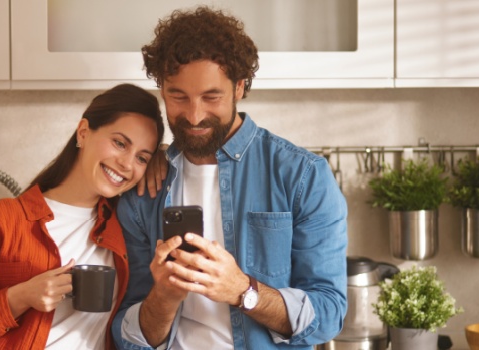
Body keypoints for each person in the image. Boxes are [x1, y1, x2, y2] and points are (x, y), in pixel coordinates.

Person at [112, 6, 348, 350]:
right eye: (178, 96)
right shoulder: (144, 189)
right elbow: (127, 331)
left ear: (239, 87)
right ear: (161, 88)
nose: (194, 115)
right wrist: (163, 298)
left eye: (211, 97)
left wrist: (242, 291)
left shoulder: (302, 176)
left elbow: (329, 314)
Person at [0, 83, 165, 350]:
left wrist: (164, 156)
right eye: (119, 143)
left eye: (141, 158)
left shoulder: (125, 225)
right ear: (84, 132)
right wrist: (18, 297)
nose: (127, 164)